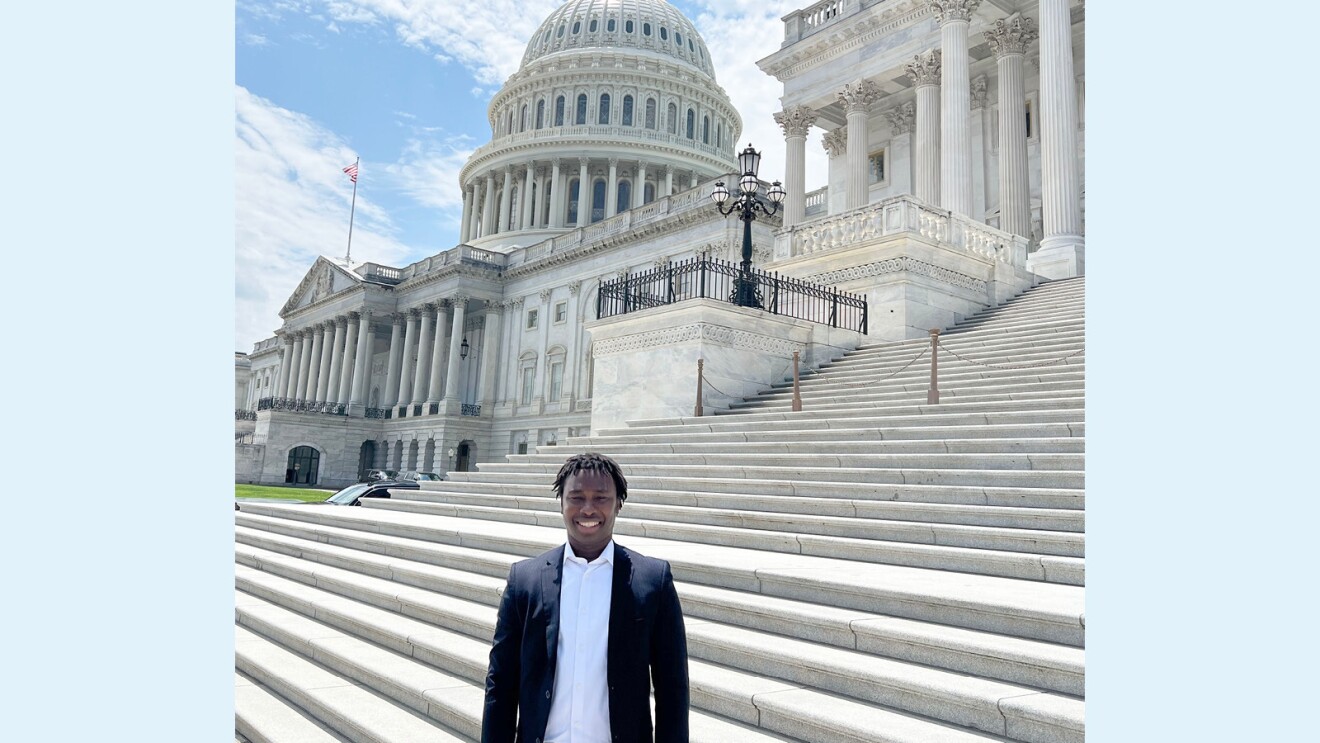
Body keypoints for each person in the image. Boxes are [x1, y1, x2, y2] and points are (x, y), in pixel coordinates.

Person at [481, 452, 689, 743]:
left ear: (618, 504)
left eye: (601, 498)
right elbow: (501, 683)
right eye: (576, 497)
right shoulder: (524, 580)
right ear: (562, 503)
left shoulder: (652, 580)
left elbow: (672, 688)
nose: (588, 509)